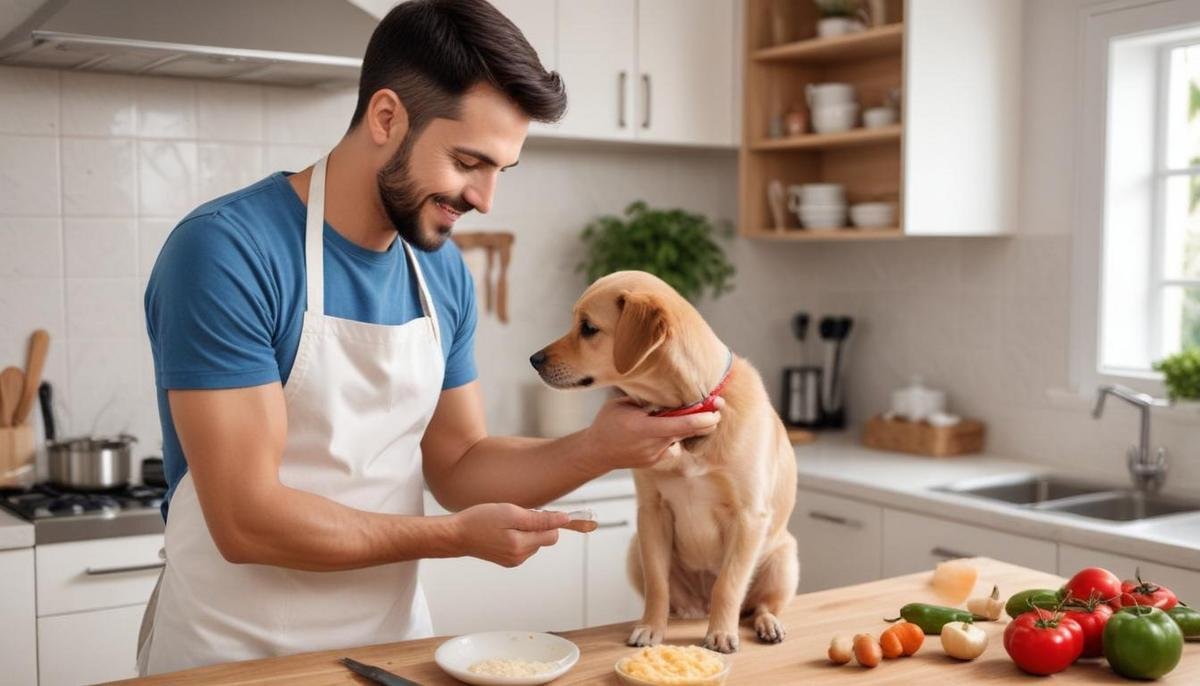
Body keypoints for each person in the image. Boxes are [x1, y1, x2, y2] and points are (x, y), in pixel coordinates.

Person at [136, 0, 721, 675]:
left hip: (387, 653)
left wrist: (599, 447)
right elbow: (246, 519)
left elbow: (459, 461)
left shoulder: (439, 270)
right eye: (470, 162)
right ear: (387, 118)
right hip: (231, 656)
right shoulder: (226, 252)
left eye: (502, 169)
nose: (486, 198)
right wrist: (452, 538)